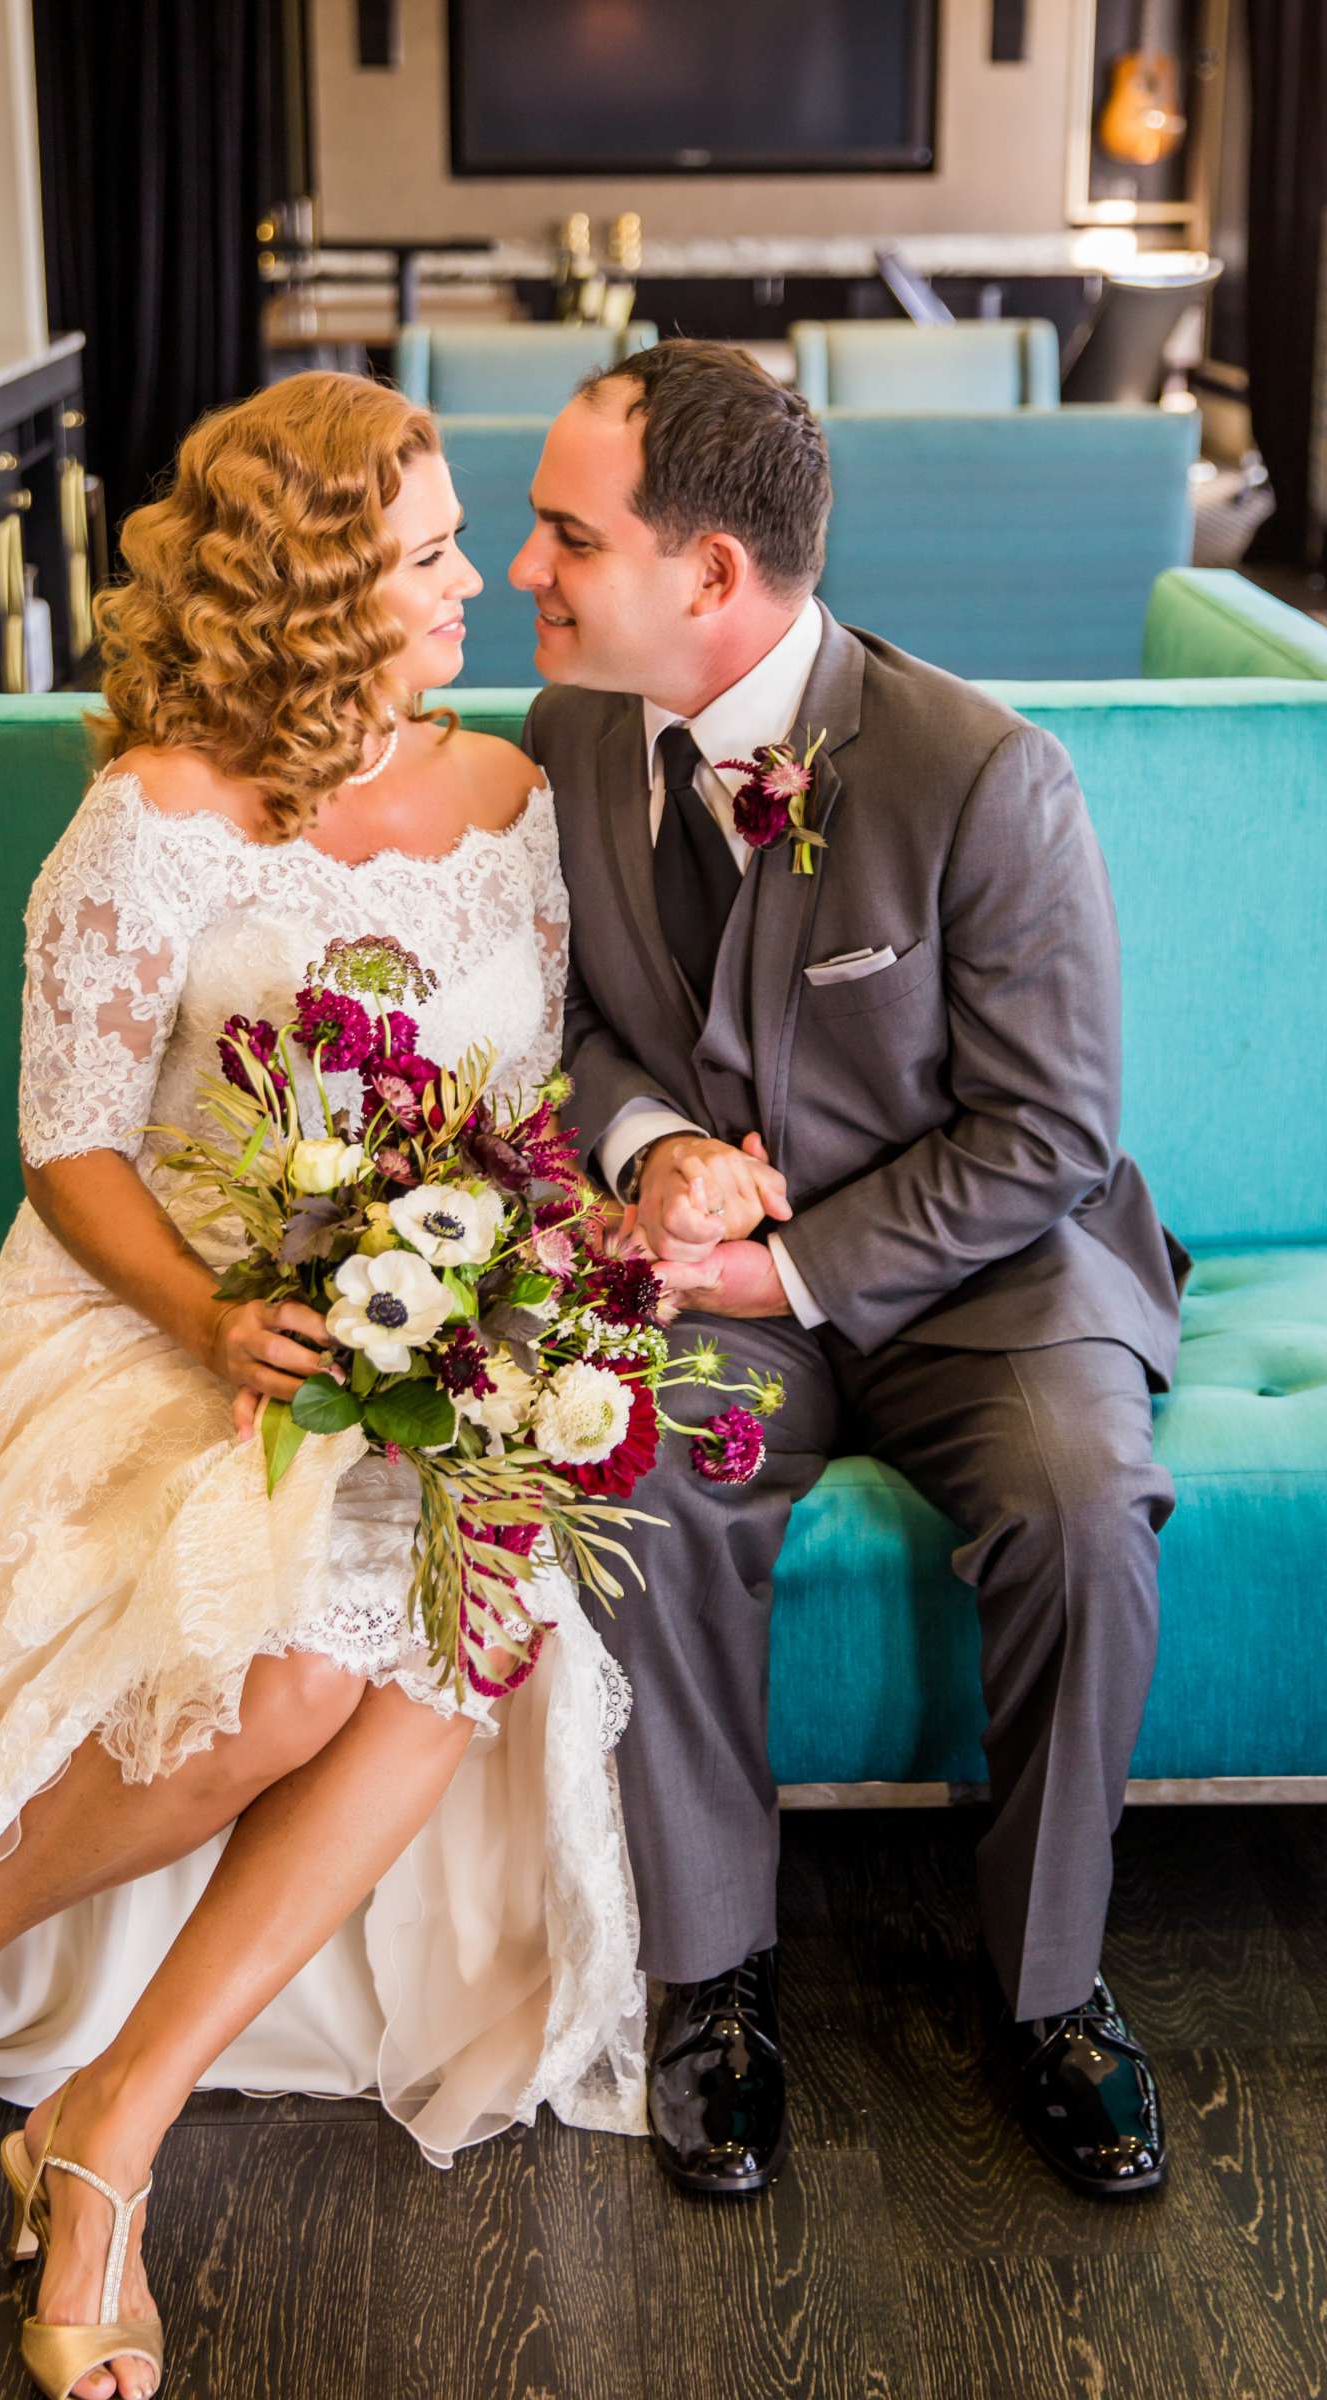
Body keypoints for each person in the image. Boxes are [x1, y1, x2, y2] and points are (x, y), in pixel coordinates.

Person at [0, 372, 644, 2400]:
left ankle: (110, 2126)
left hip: (405, 1331)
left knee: (470, 1611)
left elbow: (526, 1116)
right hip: (154, 1305)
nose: (473, 579)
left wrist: (499, 1292)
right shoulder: (144, 818)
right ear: (315, 593)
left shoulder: (508, 801)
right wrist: (223, 1316)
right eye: (422, 558)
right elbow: (68, 1148)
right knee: (290, 1672)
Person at [513, 338, 1187, 2204]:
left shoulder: (986, 776)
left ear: (710, 576)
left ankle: (1053, 1988)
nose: (524, 573)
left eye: (566, 534)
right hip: (718, 1296)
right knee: (632, 1464)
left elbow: (1050, 1133)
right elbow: (558, 1022)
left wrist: (792, 1267)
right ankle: (711, 1976)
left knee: (1081, 1498)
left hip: (987, 1275)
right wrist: (652, 1155)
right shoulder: (569, 739)